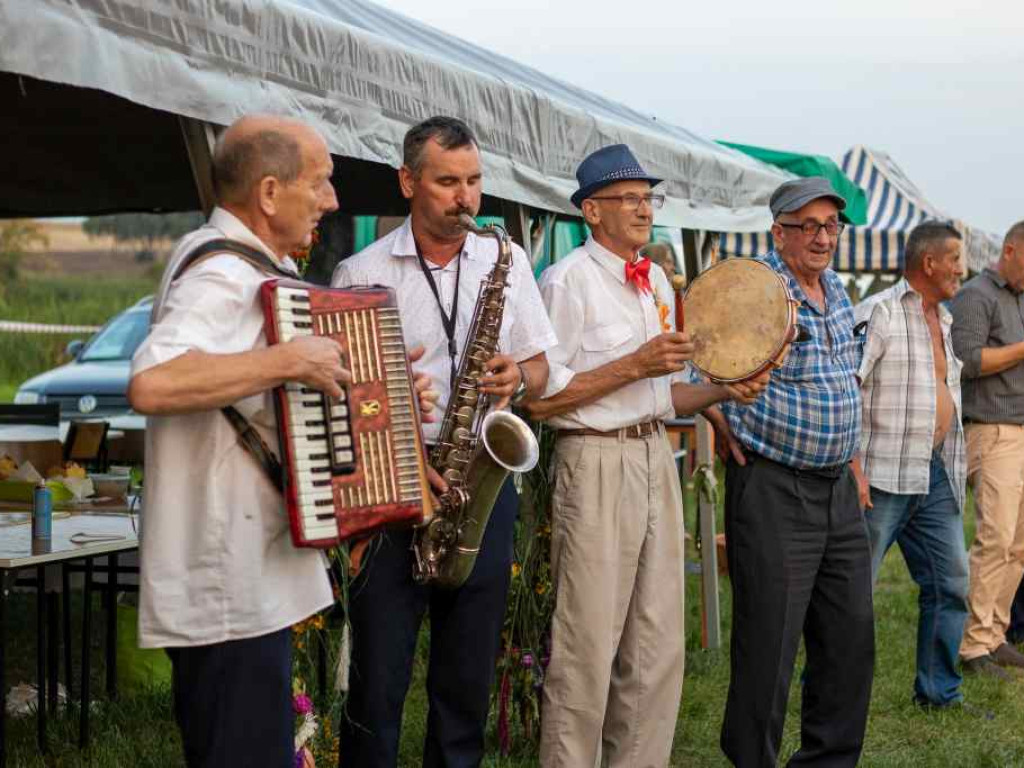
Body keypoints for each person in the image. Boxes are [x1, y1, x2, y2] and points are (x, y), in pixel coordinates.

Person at [527, 144, 768, 768]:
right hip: (594, 462)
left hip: (656, 458)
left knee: (658, 641)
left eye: (647, 198)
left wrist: (722, 387)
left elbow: (661, 395)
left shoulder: (655, 279)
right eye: (629, 198)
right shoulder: (565, 281)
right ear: (590, 212)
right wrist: (634, 363)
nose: (643, 209)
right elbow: (544, 401)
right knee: (587, 643)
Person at [331, 116, 557, 767]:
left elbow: (541, 366)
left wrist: (520, 372)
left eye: (475, 182)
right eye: (447, 182)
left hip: (480, 482)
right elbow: (341, 401)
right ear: (408, 181)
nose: (466, 199)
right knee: (377, 681)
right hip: (394, 480)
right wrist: (402, 448)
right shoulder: (361, 272)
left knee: (465, 683)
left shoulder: (505, 261)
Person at [128, 115, 348, 767]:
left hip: (250, 577)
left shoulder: (254, 269)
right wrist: (288, 361)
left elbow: (264, 401)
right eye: (323, 182)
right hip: (226, 587)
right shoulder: (222, 276)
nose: (332, 201)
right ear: (271, 192)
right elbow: (153, 381)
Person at [717, 177, 874, 768]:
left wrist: (854, 464)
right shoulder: (753, 289)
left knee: (850, 638)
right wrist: (712, 409)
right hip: (775, 487)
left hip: (836, 489)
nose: (822, 237)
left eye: (831, 226)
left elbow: (845, 381)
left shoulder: (834, 287)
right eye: (807, 226)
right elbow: (695, 360)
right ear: (777, 231)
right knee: (769, 645)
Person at [851, 221, 974, 710]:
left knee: (951, 582)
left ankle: (938, 692)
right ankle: (827, 685)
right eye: (957, 261)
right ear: (930, 263)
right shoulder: (879, 312)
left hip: (932, 470)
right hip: (880, 474)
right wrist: (853, 466)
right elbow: (847, 390)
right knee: (852, 589)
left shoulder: (942, 321)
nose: (962, 271)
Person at [949, 219, 1024, 677]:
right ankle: (973, 646)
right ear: (1011, 252)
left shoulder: (1017, 297)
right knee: (994, 538)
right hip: (992, 430)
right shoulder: (976, 294)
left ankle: (994, 634)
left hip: (1018, 431)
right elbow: (967, 362)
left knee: (1018, 544)